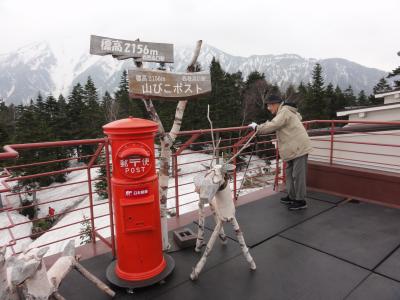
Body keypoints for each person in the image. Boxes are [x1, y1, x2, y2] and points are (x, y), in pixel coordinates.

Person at [249, 95, 312, 210]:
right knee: (289, 173)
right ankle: (292, 196)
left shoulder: (284, 112)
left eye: (269, 105)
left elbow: (273, 125)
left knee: (298, 175)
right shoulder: (283, 112)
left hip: (299, 148)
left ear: (276, 104)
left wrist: (257, 128)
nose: (268, 108)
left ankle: (301, 200)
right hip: (292, 148)